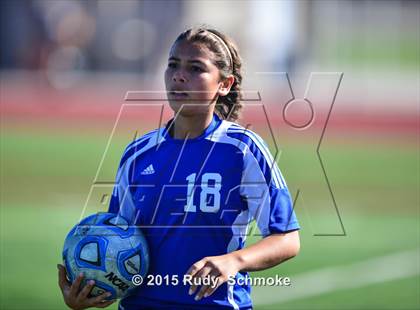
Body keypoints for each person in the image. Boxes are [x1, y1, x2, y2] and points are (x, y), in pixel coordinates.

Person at [58, 26, 300, 310]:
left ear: (225, 84)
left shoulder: (242, 149)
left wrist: (233, 261)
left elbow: (286, 239)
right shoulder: (138, 154)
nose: (179, 75)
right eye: (173, 65)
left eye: (195, 68)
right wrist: (91, 290)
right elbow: (116, 240)